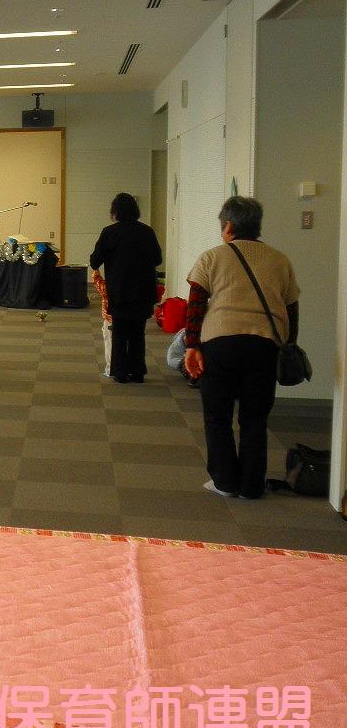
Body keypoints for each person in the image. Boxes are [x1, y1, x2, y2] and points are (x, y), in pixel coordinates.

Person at [183, 197, 300, 500]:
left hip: (220, 344)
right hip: (264, 345)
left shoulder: (211, 258)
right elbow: (291, 310)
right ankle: (251, 485)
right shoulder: (280, 260)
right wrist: (288, 345)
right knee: (255, 417)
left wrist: (192, 346)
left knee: (217, 415)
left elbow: (195, 306)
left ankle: (224, 481)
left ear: (228, 226)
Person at [89, 193, 162, 383]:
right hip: (143, 291)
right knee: (138, 333)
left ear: (115, 212)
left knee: (120, 332)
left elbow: (95, 261)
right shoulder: (147, 231)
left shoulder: (109, 232)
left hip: (120, 290)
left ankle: (120, 372)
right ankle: (137, 372)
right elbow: (158, 259)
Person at [92, 270, 114, 378]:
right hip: (131, 316)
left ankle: (111, 369)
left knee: (110, 343)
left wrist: (95, 270)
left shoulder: (109, 285)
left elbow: (98, 283)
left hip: (111, 319)